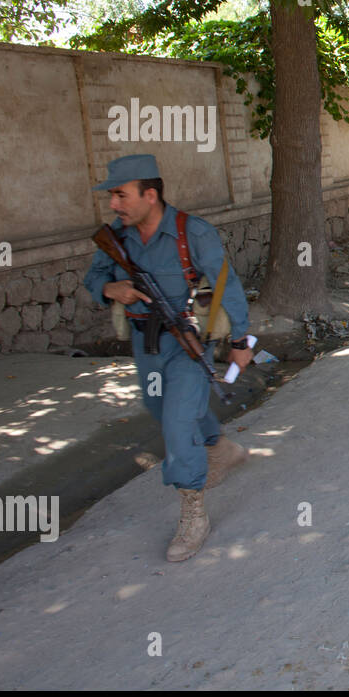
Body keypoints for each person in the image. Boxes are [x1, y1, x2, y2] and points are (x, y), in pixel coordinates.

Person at [83, 154, 254, 561]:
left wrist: (242, 342)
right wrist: (114, 291)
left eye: (120, 195)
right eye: (112, 196)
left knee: (177, 424)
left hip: (186, 342)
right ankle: (217, 445)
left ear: (150, 194)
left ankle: (193, 511)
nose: (114, 205)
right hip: (146, 343)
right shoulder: (117, 239)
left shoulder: (191, 233)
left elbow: (227, 283)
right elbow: (93, 279)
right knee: (161, 407)